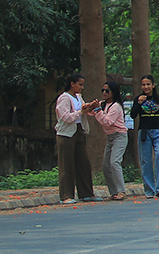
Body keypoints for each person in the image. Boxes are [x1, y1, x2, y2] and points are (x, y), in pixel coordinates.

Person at [54, 72, 100, 204]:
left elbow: (85, 112)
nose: (81, 87)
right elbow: (65, 117)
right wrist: (81, 112)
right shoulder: (64, 98)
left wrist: (91, 107)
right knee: (66, 164)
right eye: (79, 84)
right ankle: (66, 195)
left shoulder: (78, 97)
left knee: (83, 162)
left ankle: (86, 193)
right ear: (72, 84)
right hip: (66, 133)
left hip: (79, 131)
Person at [130, 75, 159, 198]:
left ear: (153, 85)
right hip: (144, 131)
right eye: (143, 84)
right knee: (146, 161)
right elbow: (133, 115)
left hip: (158, 131)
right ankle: (149, 190)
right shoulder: (138, 99)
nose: (146, 87)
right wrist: (139, 103)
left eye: (148, 84)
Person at [92, 80, 129, 200]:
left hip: (119, 136)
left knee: (114, 162)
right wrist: (88, 107)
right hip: (110, 137)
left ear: (113, 92)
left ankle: (121, 191)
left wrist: (97, 110)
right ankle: (113, 192)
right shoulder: (103, 104)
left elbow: (107, 122)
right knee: (105, 165)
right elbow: (92, 112)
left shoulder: (116, 106)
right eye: (102, 90)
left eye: (107, 90)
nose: (104, 92)